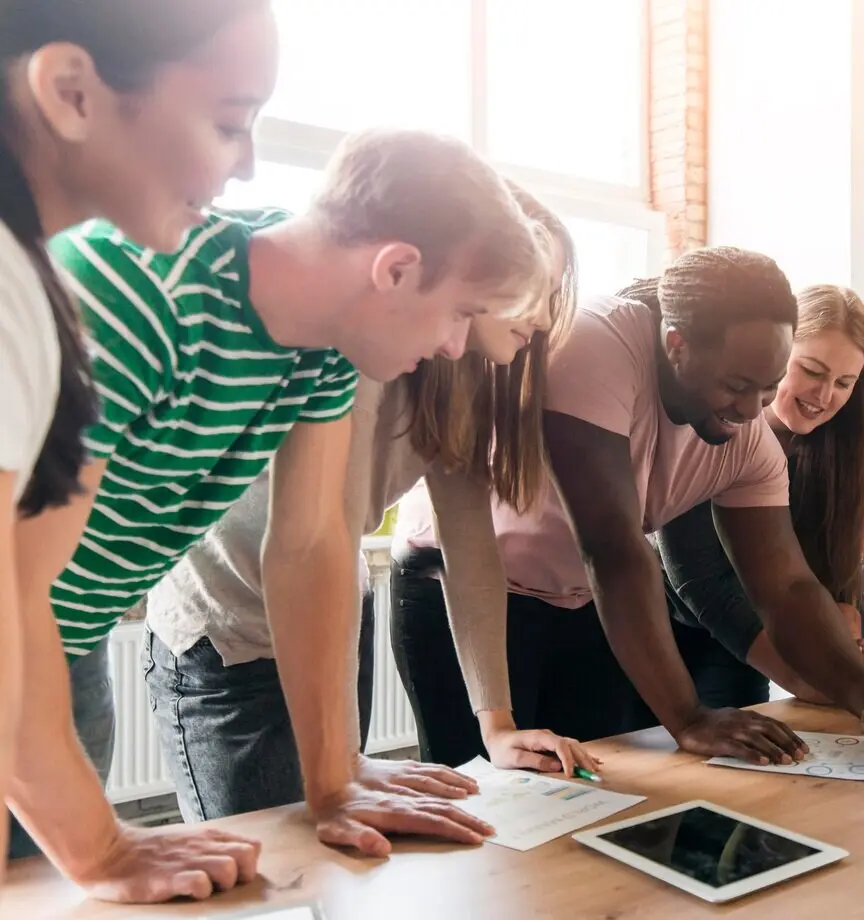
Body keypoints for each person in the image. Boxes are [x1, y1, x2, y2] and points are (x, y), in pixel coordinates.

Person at [7, 128, 550, 902]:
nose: (455, 345)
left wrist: (335, 782)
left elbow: (310, 543)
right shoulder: (145, 294)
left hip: (67, 639)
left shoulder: (324, 343)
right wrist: (100, 848)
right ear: (395, 269)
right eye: (460, 313)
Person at [143, 186, 596, 819]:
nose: (545, 317)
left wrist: (495, 724)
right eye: (528, 290)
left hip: (329, 626)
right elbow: (311, 538)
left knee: (338, 854)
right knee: (265, 877)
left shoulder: (455, 374)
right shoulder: (352, 351)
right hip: (227, 641)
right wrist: (340, 770)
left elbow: (471, 551)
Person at [1, 0, 280, 897]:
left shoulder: (34, 289)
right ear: (73, 90)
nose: (247, 165)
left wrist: (101, 850)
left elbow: (17, 595)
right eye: (229, 122)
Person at [489, 248, 864, 767]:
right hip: (485, 595)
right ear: (677, 346)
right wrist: (690, 717)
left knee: (591, 790)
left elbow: (786, 587)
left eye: (767, 389)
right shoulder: (597, 343)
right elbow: (614, 550)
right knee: (486, 810)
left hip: (584, 605)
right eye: (737, 386)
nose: (749, 411)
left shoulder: (749, 442)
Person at [652, 284, 864, 709]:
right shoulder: (717, 422)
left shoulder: (840, 450)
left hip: (744, 642)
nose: (824, 395)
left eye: (844, 382)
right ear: (776, 355)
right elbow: (699, 579)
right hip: (664, 629)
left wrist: (841, 646)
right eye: (811, 371)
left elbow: (821, 573)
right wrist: (806, 677)